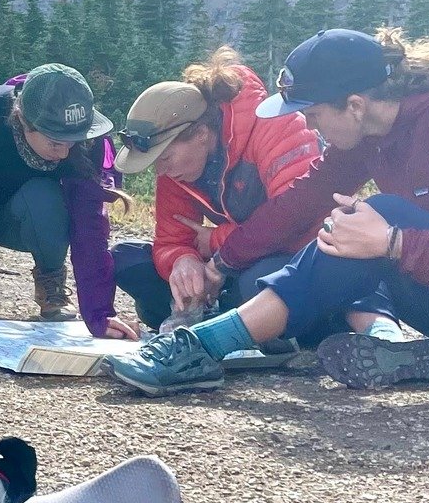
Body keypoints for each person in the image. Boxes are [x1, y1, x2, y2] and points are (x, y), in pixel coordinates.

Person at [106, 28, 429, 395]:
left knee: (380, 217)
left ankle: (204, 345)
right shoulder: (376, 131)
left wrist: (394, 244)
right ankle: (390, 347)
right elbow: (302, 201)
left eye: (312, 113)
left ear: (353, 103)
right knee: (358, 225)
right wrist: (222, 264)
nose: (309, 126)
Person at [0, 63, 141, 337]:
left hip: (31, 223)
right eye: (55, 143)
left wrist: (100, 313)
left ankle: (50, 281)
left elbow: (90, 230)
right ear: (21, 119)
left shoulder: (86, 143)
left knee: (41, 195)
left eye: (72, 142)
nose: (65, 153)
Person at [110, 48, 323, 331]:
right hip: (237, 259)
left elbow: (297, 222)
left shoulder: (276, 125)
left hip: (300, 256)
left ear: (200, 135)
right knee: (126, 261)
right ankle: (228, 314)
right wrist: (182, 261)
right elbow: (171, 239)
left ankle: (247, 316)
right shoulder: (177, 164)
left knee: (256, 283)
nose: (160, 171)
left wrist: (217, 244)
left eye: (164, 158)